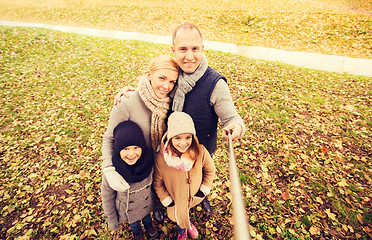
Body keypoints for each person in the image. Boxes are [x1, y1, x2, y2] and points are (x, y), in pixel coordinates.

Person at [114, 23, 246, 215]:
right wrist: (131, 92)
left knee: (195, 180)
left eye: (195, 49)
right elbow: (151, 85)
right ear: (173, 50)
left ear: (203, 49)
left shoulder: (215, 84)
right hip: (166, 147)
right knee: (162, 179)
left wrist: (235, 127)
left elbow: (232, 118)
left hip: (196, 151)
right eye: (183, 49)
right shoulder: (172, 75)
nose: (189, 56)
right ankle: (159, 203)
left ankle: (198, 199)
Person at [102, 54, 179, 192]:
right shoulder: (126, 102)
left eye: (172, 82)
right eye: (162, 78)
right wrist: (108, 169)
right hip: (134, 167)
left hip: (160, 164)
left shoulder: (172, 104)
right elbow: (109, 138)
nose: (166, 86)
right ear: (149, 75)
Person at [153, 112, 216, 240]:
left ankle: (187, 223)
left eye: (188, 137)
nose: (183, 143)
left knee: (186, 211)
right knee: (180, 215)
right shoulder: (162, 159)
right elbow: (157, 182)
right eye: (177, 138)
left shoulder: (200, 151)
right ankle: (183, 230)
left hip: (193, 196)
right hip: (175, 200)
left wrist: (204, 189)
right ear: (170, 137)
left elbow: (210, 170)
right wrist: (166, 199)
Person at [101, 121, 160, 240]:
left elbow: (155, 185)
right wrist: (112, 219)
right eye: (126, 148)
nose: (131, 153)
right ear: (118, 150)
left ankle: (149, 227)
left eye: (136, 147)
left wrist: (158, 204)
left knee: (147, 218)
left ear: (142, 147)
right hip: (128, 211)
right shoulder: (112, 172)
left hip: (146, 206)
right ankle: (137, 233)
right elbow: (107, 197)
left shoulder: (149, 163)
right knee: (134, 224)